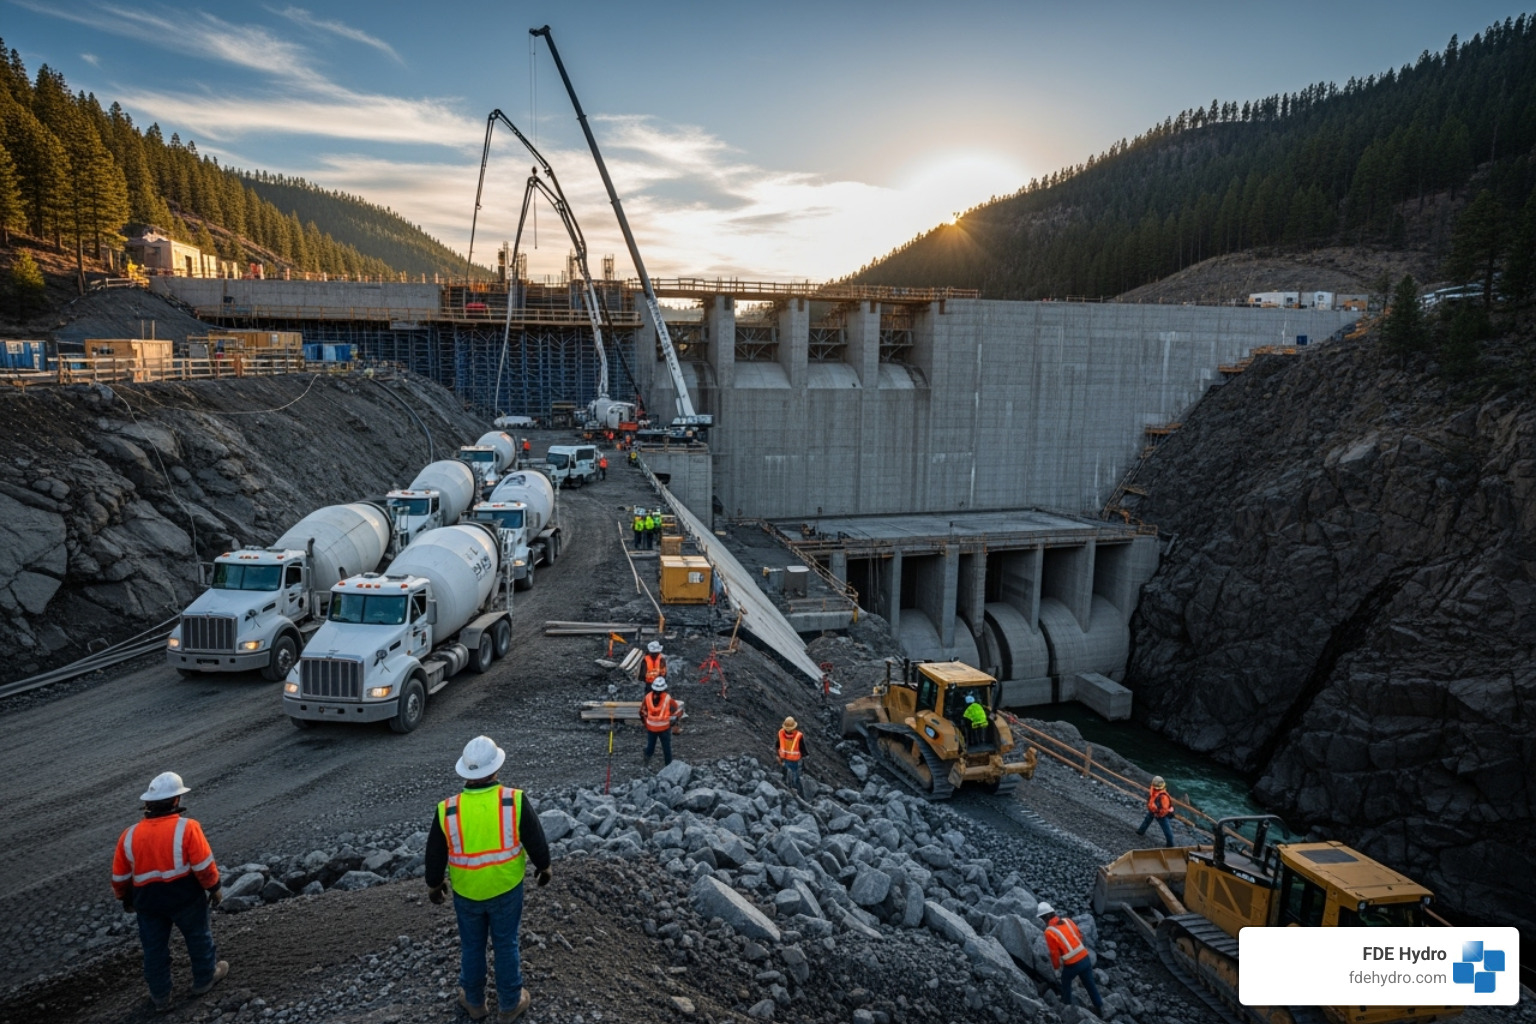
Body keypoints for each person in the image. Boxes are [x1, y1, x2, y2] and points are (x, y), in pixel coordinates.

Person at [427, 736, 552, 1024]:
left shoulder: (448, 809)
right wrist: (544, 867)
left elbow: (434, 852)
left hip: (467, 891)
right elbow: (535, 838)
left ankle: (474, 1002)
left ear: (465, 771)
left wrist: (434, 884)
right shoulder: (513, 800)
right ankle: (509, 1003)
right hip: (506, 888)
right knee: (506, 943)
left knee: (472, 946)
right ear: (496, 769)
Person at [112, 772, 228, 1012]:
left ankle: (160, 996)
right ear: (176, 800)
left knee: (154, 949)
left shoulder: (129, 835)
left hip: (148, 902)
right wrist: (215, 888)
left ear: (147, 803)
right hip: (184, 897)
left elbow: (120, 877)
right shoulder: (188, 828)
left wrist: (125, 899)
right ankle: (204, 979)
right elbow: (203, 866)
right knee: (198, 937)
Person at [1038, 901, 1104, 1016]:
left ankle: (1066, 1006)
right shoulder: (1067, 921)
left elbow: (1054, 953)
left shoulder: (1049, 932)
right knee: (1090, 984)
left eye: (1042, 919)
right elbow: (1079, 936)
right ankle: (1099, 1008)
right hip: (1085, 958)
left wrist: (1056, 967)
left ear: (1045, 918)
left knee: (1065, 980)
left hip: (1073, 964)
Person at [641, 678, 680, 768]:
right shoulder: (667, 698)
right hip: (664, 727)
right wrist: (669, 715)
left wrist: (646, 722)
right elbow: (675, 707)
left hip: (651, 727)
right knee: (666, 748)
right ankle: (668, 766)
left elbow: (642, 711)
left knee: (650, 746)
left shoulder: (647, 697)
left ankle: (646, 759)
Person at [1137, 775, 1176, 847]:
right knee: (1147, 820)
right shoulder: (1154, 790)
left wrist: (1158, 814)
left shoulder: (1163, 797)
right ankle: (1140, 832)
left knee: (1166, 829)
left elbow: (1164, 810)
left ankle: (1170, 844)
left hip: (1160, 814)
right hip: (1153, 810)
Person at [777, 717, 808, 797]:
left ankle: (786, 785)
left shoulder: (781, 733)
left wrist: (779, 756)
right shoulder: (798, 735)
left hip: (784, 758)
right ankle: (796, 791)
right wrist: (805, 755)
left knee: (785, 772)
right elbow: (802, 747)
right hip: (794, 760)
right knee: (795, 776)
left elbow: (778, 745)